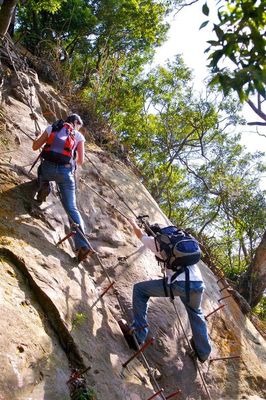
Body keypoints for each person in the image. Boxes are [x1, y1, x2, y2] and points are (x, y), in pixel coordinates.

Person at [123, 218, 211, 363]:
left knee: (139, 290)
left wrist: (132, 223)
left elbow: (140, 235)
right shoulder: (180, 241)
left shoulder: (157, 243)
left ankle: (138, 335)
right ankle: (203, 352)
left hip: (179, 284)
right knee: (196, 312)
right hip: (197, 284)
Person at [32, 113, 93, 262]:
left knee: (41, 173)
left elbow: (35, 147)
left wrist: (40, 136)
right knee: (72, 208)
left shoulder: (52, 128)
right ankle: (83, 245)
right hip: (66, 173)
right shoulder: (78, 136)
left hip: (47, 168)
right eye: (80, 125)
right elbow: (80, 161)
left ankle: (44, 186)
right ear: (76, 123)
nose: (80, 127)